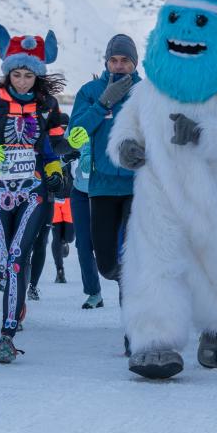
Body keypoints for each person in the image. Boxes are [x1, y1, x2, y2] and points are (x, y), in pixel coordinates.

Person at [109, 0, 217, 378]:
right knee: (155, 265)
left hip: (214, 196)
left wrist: (203, 134)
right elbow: (126, 128)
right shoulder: (147, 91)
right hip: (158, 195)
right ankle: (155, 340)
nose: (186, 33)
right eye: (175, 21)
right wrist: (125, 146)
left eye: (200, 23)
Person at [0, 27, 66, 363]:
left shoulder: (47, 105)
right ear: (7, 72)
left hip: (33, 192)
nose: (22, 81)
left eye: (28, 75)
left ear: (37, 76)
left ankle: (6, 334)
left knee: (14, 257)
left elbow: (54, 147)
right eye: (17, 74)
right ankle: (16, 295)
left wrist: (59, 166)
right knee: (2, 263)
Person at [67, 34, 142, 333]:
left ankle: (133, 332)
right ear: (106, 62)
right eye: (115, 60)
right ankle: (121, 278)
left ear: (135, 63)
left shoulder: (147, 92)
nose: (120, 65)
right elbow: (74, 137)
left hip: (140, 187)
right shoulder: (91, 91)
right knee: (107, 263)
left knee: (134, 262)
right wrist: (102, 103)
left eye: (126, 60)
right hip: (101, 187)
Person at [29, 168, 73, 299]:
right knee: (56, 237)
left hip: (69, 196)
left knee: (70, 237)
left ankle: (65, 242)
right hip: (53, 198)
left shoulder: (69, 148)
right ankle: (60, 270)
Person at [70, 141, 103, 308]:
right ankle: (94, 292)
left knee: (107, 245)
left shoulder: (111, 118)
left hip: (106, 191)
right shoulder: (79, 118)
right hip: (81, 192)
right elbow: (63, 146)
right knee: (83, 244)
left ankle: (126, 291)